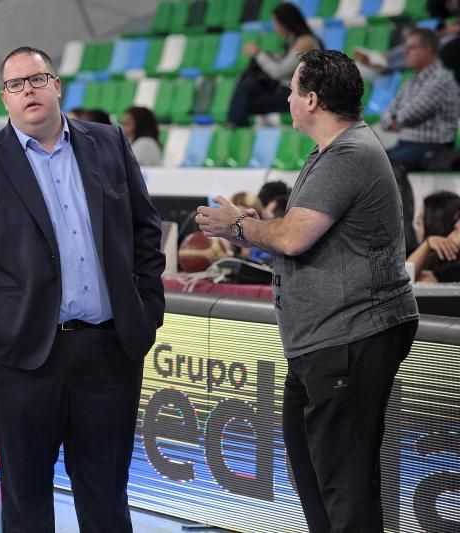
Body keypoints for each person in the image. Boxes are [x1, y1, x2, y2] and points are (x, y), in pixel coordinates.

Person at [0, 46, 165, 532]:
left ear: (56, 85)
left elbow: (146, 231)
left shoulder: (109, 143)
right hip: (19, 358)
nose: (28, 91)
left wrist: (146, 312)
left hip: (109, 351)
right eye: (15, 85)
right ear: (5, 98)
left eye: (36, 79)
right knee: (25, 499)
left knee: (106, 497)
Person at [196, 50, 419, 532]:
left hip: (348, 337)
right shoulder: (332, 153)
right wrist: (248, 231)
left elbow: (294, 236)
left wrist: (238, 224)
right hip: (323, 341)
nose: (288, 97)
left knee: (344, 486)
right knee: (314, 473)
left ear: (312, 99)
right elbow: (297, 234)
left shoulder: (351, 153)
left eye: (293, 89)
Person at [227, 2, 321, 127]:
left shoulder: (305, 41)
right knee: (245, 91)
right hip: (288, 91)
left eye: (276, 23)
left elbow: (280, 71)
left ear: (286, 22)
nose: (275, 27)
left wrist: (258, 54)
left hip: (300, 95)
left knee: (243, 102)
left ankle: (233, 127)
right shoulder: (293, 40)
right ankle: (234, 125)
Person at [381, 28, 460, 171]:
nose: (405, 52)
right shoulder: (411, 81)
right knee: (366, 162)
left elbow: (411, 115)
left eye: (411, 48)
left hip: (432, 147)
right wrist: (393, 120)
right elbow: (386, 116)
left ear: (427, 50)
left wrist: (396, 120)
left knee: (383, 167)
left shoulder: (441, 80)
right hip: (405, 144)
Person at [407, 191, 460, 281]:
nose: (450, 236)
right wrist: (428, 243)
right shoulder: (450, 270)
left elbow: (406, 279)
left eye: (455, 231)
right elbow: (407, 275)